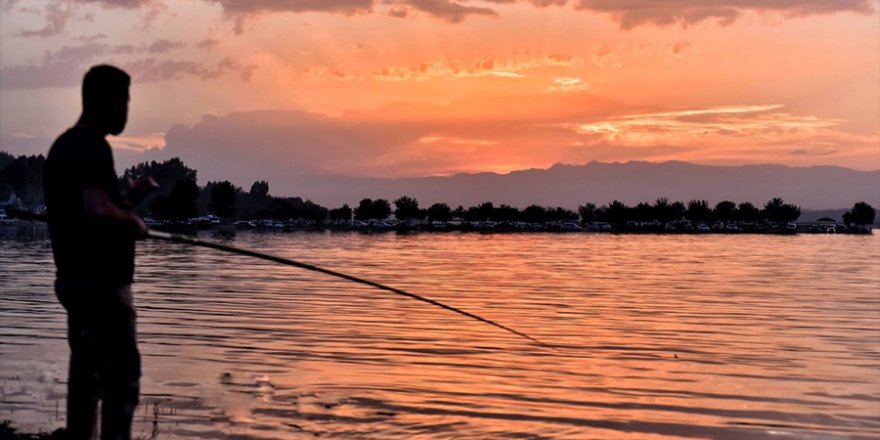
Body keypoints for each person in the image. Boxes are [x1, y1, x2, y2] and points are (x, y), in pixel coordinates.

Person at [43, 65, 148, 440]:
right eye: (125, 101)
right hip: (102, 288)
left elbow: (92, 208)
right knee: (120, 385)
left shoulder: (64, 145)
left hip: (75, 281)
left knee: (86, 382)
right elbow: (96, 210)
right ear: (108, 101)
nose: (127, 110)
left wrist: (129, 200)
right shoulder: (92, 145)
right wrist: (132, 223)